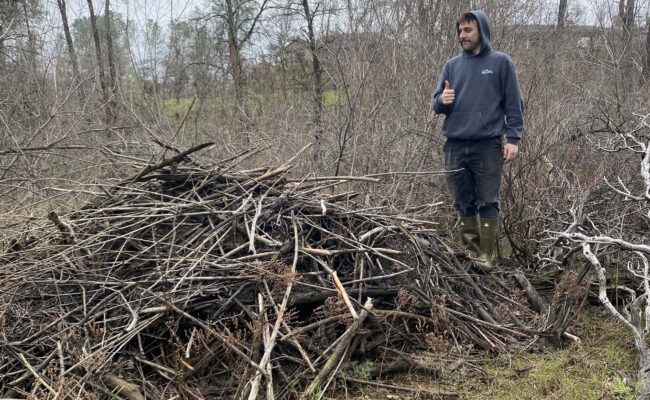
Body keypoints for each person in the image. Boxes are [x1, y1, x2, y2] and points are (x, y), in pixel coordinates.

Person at [432, 10, 523, 270]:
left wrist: (513, 139)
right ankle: (471, 254)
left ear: (481, 30)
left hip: (487, 145)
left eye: (468, 30)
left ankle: (485, 257)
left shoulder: (500, 62)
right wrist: (442, 101)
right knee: (462, 201)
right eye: (460, 31)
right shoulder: (452, 65)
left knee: (488, 201)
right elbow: (437, 102)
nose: (462, 35)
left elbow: (514, 105)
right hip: (455, 145)